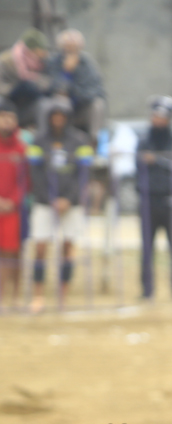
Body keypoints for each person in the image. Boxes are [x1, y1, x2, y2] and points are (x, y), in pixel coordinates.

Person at [26, 96, 92, 313]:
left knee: (68, 247)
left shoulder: (80, 141)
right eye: (54, 115)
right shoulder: (38, 141)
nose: (58, 119)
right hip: (45, 202)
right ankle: (38, 295)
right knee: (40, 246)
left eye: (62, 115)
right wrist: (50, 198)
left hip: (71, 203)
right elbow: (35, 174)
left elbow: (84, 175)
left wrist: (69, 199)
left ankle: (63, 295)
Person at [136, 95, 172, 300]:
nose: (159, 120)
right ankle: (147, 290)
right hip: (148, 200)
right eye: (156, 116)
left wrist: (157, 160)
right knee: (147, 247)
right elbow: (138, 165)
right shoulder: (144, 140)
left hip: (171, 199)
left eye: (163, 117)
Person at [47, 29, 106, 142]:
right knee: (62, 101)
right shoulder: (54, 62)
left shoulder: (87, 64)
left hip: (81, 106)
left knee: (98, 105)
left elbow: (95, 90)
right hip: (59, 110)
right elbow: (54, 88)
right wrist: (67, 72)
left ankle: (94, 141)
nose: (71, 51)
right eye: (67, 48)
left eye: (74, 48)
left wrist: (73, 92)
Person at [0, 30, 53, 129]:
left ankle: (42, 135)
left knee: (45, 105)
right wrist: (15, 89)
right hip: (9, 103)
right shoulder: (6, 60)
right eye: (39, 49)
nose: (43, 52)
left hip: (31, 104)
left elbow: (48, 82)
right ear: (30, 49)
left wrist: (35, 86)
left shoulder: (45, 62)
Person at [0, 98, 25, 309]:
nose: (7, 121)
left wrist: (12, 201)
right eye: (3, 117)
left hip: (13, 209)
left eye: (10, 117)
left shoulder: (21, 148)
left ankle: (14, 296)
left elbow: (25, 180)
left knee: (13, 253)